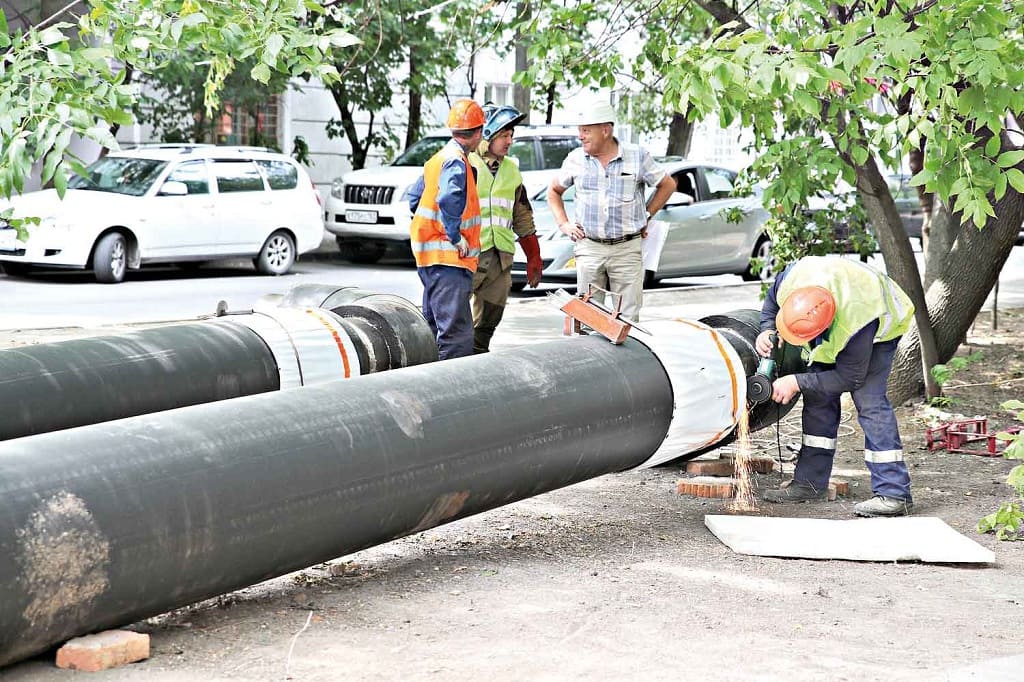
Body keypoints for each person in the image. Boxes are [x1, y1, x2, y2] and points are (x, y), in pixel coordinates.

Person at [756, 255, 916, 517]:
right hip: (840, 314)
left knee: (869, 401)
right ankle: (809, 483)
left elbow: (849, 378)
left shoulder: (855, 321)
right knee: (818, 397)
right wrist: (766, 329)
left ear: (826, 327)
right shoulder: (790, 282)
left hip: (877, 328)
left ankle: (894, 493)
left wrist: (795, 381)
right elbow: (771, 303)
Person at [546, 101, 676, 321]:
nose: (581, 136)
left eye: (586, 130)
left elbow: (668, 185)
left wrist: (646, 215)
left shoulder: (636, 156)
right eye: (580, 131)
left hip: (627, 248)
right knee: (589, 315)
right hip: (590, 247)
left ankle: (625, 355)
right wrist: (564, 224)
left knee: (627, 317)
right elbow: (553, 191)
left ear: (605, 130)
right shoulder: (576, 159)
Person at [405, 99, 485, 360]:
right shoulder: (456, 162)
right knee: (455, 334)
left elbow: (415, 198)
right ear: (477, 133)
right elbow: (448, 199)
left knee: (434, 328)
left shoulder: (437, 159)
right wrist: (454, 235)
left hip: (429, 259)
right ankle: (454, 392)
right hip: (450, 260)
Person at [467, 103, 543, 353]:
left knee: (490, 316)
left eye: (511, 135)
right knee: (453, 317)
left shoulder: (511, 169)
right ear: (487, 133)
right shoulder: (464, 163)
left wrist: (534, 257)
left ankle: (478, 355)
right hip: (466, 255)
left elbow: (521, 214)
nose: (509, 141)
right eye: (503, 135)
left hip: (499, 258)